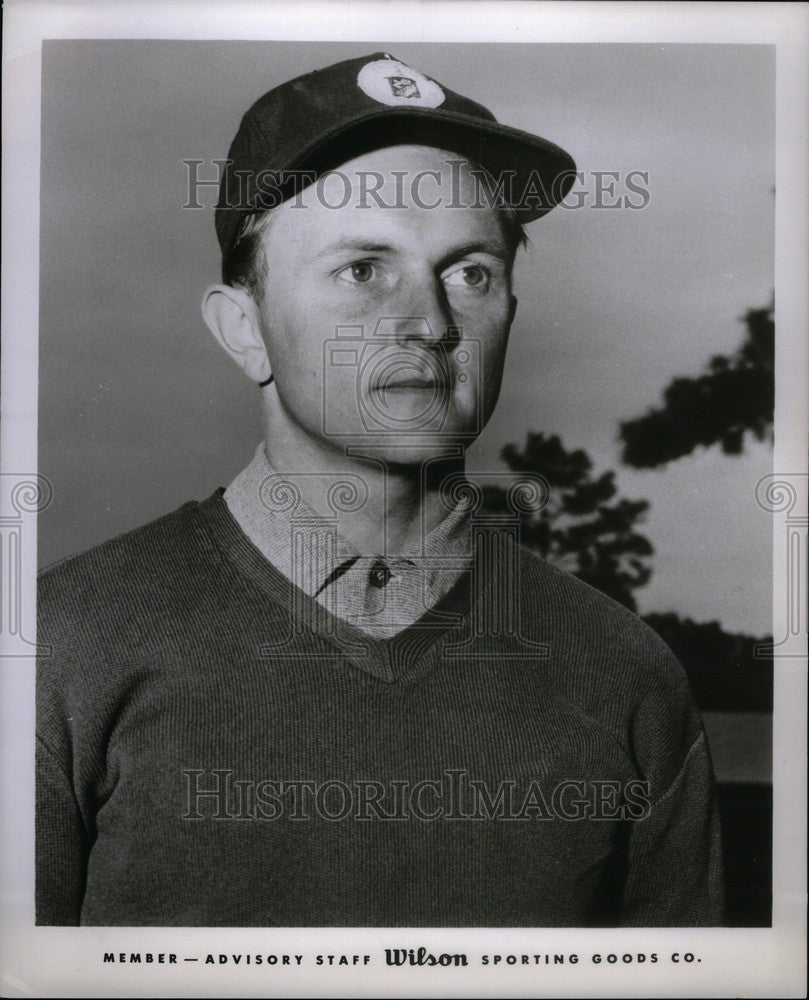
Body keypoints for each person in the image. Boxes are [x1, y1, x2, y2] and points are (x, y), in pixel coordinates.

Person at [36, 51, 724, 927]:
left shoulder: (625, 676)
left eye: (470, 272)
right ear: (243, 329)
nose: (431, 324)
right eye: (363, 269)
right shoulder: (64, 653)